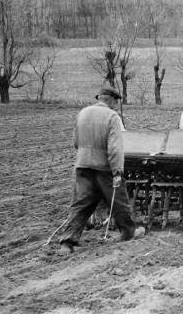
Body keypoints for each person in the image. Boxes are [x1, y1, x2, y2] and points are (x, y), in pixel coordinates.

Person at [59, 87, 145, 254]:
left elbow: (75, 142)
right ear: (112, 100)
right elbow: (114, 148)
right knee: (118, 200)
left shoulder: (83, 113)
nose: (116, 104)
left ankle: (67, 242)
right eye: (116, 101)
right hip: (103, 167)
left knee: (80, 204)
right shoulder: (112, 116)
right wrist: (117, 171)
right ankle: (129, 232)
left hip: (83, 165)